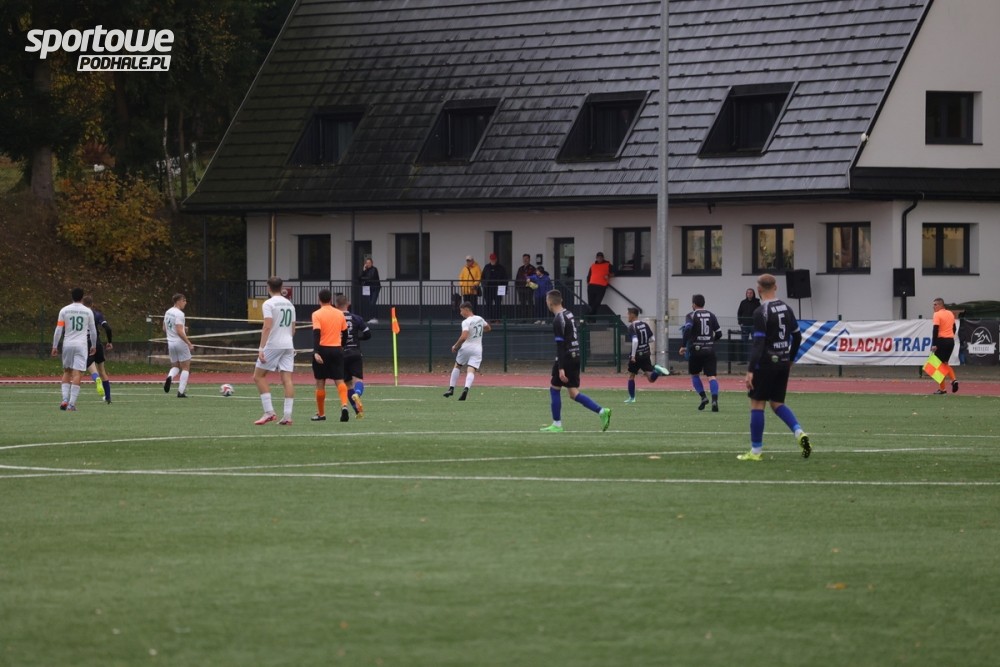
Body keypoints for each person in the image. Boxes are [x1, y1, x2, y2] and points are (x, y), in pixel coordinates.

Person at [739, 273, 811, 462]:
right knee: (777, 403)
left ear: (759, 289)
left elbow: (758, 343)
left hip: (765, 363)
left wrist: (750, 370)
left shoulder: (760, 312)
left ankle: (755, 451)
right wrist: (790, 358)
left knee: (757, 404)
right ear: (776, 287)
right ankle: (799, 432)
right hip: (783, 362)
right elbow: (797, 336)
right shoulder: (787, 308)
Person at [540, 290, 612, 433]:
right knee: (573, 393)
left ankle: (557, 424)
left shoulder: (558, 319)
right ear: (561, 301)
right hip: (575, 355)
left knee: (554, 388)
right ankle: (602, 411)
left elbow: (560, 345)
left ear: (550, 302)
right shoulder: (569, 313)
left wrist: (561, 368)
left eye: (547, 301)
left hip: (566, 357)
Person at [254, 276, 298, 425]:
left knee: (258, 376)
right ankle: (287, 416)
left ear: (268, 287)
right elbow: (293, 328)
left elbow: (267, 326)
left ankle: (269, 412)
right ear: (281, 287)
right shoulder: (290, 304)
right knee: (287, 380)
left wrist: (261, 348)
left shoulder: (269, 303)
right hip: (288, 344)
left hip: (274, 344)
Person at [51, 287, 98, 411]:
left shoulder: (64, 310)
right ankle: (71, 404)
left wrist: (55, 346)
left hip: (67, 344)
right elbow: (93, 331)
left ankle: (64, 400)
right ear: (82, 297)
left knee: (67, 371)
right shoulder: (88, 311)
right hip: (81, 345)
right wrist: (93, 345)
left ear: (72, 297)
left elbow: (58, 329)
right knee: (78, 374)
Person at [309, 288, 350, 422]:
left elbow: (316, 333)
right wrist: (341, 346)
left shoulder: (316, 314)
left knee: (320, 381)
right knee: (339, 380)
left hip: (322, 349)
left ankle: (321, 414)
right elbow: (345, 333)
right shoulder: (339, 314)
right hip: (336, 349)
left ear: (319, 300)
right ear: (331, 300)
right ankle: (344, 405)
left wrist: (316, 351)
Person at [679, 294, 722, 412]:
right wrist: (710, 341)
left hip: (696, 350)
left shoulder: (691, 315)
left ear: (694, 304)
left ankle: (703, 397)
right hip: (709, 350)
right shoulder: (711, 315)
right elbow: (719, 334)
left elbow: (688, 328)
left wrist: (683, 345)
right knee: (711, 377)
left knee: (695, 374)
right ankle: (714, 400)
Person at [444, 301, 491, 401]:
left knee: (457, 365)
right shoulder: (480, 318)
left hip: (466, 347)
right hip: (477, 349)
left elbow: (464, 336)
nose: (460, 313)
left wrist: (455, 346)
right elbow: (488, 328)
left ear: (466, 310)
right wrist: (479, 332)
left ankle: (451, 388)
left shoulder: (466, 322)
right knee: (471, 369)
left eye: (461, 310)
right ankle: (466, 389)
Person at [623, 307, 670, 403]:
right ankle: (657, 371)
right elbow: (652, 339)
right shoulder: (644, 324)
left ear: (632, 315)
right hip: (646, 353)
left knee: (631, 375)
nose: (627, 316)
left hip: (636, 355)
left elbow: (635, 340)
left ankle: (632, 398)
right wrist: (644, 343)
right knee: (651, 378)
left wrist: (633, 356)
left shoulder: (632, 327)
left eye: (628, 314)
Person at [336, 292, 371, 417]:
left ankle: (357, 411)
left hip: (341, 353)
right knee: (358, 380)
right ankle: (358, 393)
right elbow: (368, 334)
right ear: (348, 304)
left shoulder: (334, 318)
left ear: (336, 305)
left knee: (347, 384)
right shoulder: (356, 318)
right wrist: (357, 338)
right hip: (355, 352)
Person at [82, 295, 113, 404]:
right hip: (98, 343)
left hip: (86, 343)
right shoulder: (97, 314)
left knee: (90, 367)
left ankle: (96, 379)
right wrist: (109, 341)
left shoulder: (81, 314)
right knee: (102, 371)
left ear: (82, 303)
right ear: (92, 304)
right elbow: (108, 328)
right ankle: (108, 397)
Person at [163, 293, 195, 398]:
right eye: (184, 301)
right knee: (185, 367)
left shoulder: (168, 312)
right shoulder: (179, 314)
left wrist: (183, 328)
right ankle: (181, 392)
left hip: (170, 343)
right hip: (180, 342)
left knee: (175, 366)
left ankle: (170, 377)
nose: (185, 303)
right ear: (178, 301)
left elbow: (165, 328)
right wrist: (188, 343)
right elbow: (179, 331)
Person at [931, 297, 959, 394]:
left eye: (935, 304)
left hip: (941, 341)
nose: (933, 307)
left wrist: (934, 344)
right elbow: (954, 328)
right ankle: (954, 380)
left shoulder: (937, 314)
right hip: (950, 341)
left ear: (940, 305)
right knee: (944, 363)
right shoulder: (950, 313)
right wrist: (950, 336)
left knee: (938, 365)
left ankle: (943, 388)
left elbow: (935, 329)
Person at [480, 252, 508, 322]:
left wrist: (504, 288)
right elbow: (482, 277)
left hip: (498, 289)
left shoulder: (501, 268)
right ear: (490, 259)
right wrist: (484, 285)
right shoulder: (487, 267)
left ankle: (497, 319)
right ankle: (489, 319)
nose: (493, 260)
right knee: (488, 304)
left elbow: (505, 278)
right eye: (492, 259)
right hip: (488, 289)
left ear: (496, 259)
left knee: (498, 304)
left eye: (494, 259)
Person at [586, 251, 613, 320]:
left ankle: (589, 316)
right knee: (590, 302)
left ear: (603, 258)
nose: (599, 258)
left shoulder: (608, 265)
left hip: (601, 286)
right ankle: (592, 319)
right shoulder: (593, 265)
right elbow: (589, 275)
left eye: (601, 257)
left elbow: (614, 273)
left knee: (597, 302)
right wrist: (588, 283)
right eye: (598, 257)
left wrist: (608, 275)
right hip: (592, 286)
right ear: (596, 258)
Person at [736, 287, 761, 363]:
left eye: (751, 293)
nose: (749, 294)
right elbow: (739, 313)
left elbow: (760, 313)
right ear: (746, 294)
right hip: (745, 326)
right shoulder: (743, 302)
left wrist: (758, 323)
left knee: (755, 343)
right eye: (748, 293)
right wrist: (740, 322)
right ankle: (743, 361)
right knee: (744, 343)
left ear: (753, 294)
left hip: (754, 326)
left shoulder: (757, 303)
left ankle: (755, 360)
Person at [358, 257, 381, 323]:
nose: (368, 264)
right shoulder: (365, 270)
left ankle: (374, 317)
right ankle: (370, 317)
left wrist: (364, 278)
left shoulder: (374, 269)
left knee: (372, 303)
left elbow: (371, 277)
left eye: (369, 263)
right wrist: (363, 270)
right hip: (368, 289)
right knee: (369, 303)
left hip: (375, 288)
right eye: (367, 263)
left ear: (372, 263)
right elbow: (359, 278)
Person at [514, 253, 536, 319]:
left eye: (526, 259)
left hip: (528, 289)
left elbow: (534, 279)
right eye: (524, 259)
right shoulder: (520, 268)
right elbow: (517, 278)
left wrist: (531, 287)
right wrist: (517, 287)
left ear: (529, 259)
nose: (525, 260)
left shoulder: (532, 268)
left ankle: (530, 318)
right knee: (522, 303)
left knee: (530, 303)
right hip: (521, 289)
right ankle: (523, 318)